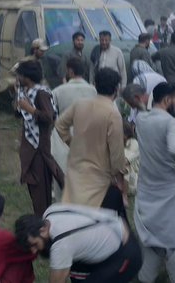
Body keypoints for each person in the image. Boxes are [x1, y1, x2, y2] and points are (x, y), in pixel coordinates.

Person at [133, 82, 175, 283]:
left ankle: (145, 277)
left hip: (147, 190)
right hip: (171, 193)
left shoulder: (141, 119)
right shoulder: (170, 123)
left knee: (149, 243)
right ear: (168, 100)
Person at [54, 68, 127, 216]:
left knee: (72, 214)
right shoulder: (113, 113)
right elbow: (117, 152)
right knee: (92, 218)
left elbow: (60, 125)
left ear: (95, 85)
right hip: (99, 175)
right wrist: (119, 177)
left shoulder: (80, 104)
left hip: (76, 167)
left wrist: (71, 142)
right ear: (116, 89)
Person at [13, 204, 142, 283]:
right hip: (115, 229)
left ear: (43, 230)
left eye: (34, 244)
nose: (34, 251)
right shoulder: (50, 212)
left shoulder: (61, 244)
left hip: (125, 256)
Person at [15, 60, 64, 216]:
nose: (18, 78)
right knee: (34, 184)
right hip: (31, 144)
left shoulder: (41, 93)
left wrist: (29, 109)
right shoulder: (26, 92)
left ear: (27, 77)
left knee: (39, 186)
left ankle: (43, 219)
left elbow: (48, 117)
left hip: (39, 146)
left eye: (20, 75)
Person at [49, 56, 96, 178]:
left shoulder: (58, 91)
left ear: (70, 71)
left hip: (63, 136)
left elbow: (51, 113)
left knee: (64, 172)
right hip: (89, 135)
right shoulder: (93, 91)